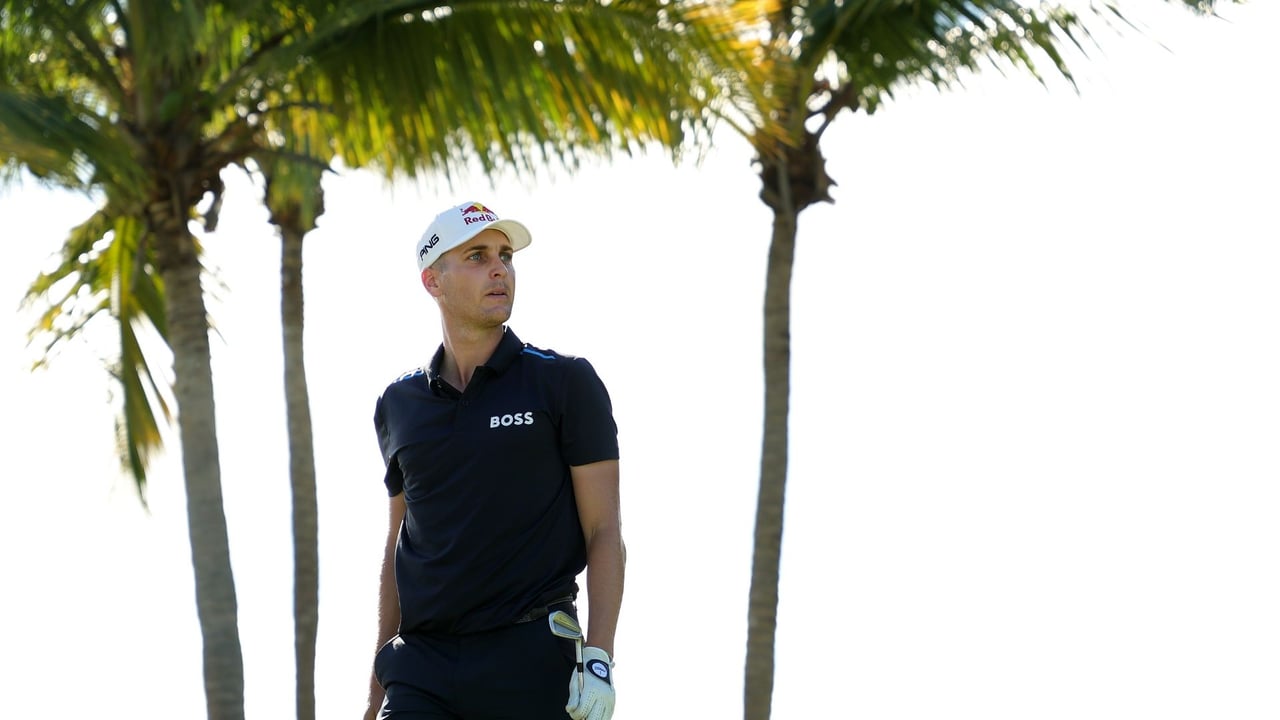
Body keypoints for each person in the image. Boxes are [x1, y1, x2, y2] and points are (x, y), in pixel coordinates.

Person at [363, 200, 625, 720]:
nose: (499, 269)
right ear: (433, 281)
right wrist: (374, 699)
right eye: (477, 257)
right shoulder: (398, 404)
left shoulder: (564, 382)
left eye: (505, 256)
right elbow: (399, 544)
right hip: (421, 668)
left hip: (531, 658)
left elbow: (604, 530)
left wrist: (599, 656)